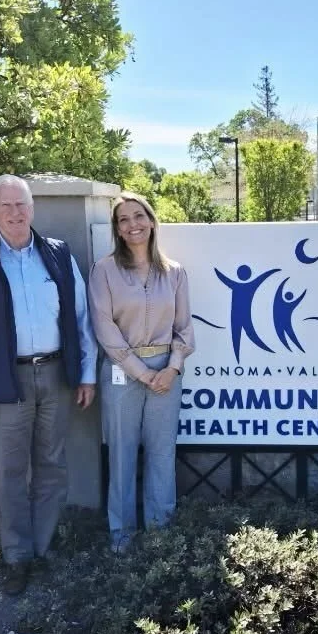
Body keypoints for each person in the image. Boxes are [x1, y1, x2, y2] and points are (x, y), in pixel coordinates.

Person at [0, 174, 97, 595]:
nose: (16, 214)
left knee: (52, 465)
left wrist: (85, 373)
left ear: (32, 209)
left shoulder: (57, 254)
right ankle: (16, 555)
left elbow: (80, 317)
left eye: (22, 205)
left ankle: (43, 547)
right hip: (4, 379)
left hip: (55, 375)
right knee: (9, 471)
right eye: (7, 206)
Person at [89, 192, 195, 554]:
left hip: (167, 373)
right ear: (117, 229)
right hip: (122, 373)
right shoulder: (104, 270)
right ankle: (121, 535)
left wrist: (172, 368)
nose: (132, 224)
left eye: (139, 216)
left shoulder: (175, 272)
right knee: (121, 453)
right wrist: (140, 372)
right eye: (123, 219)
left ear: (151, 221)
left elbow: (185, 329)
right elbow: (104, 328)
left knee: (162, 454)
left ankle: (160, 532)